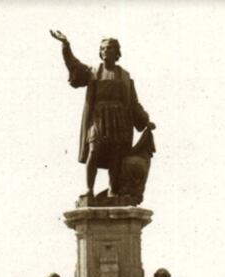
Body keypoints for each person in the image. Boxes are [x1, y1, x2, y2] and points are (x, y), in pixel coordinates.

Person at [50, 30, 156, 203]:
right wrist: (66, 46)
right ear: (100, 52)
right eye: (104, 48)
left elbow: (134, 103)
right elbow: (75, 66)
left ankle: (113, 191)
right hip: (98, 118)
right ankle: (89, 190)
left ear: (117, 53)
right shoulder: (93, 72)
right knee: (94, 150)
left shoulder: (125, 77)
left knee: (116, 156)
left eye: (111, 48)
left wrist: (145, 120)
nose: (106, 51)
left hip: (119, 120)